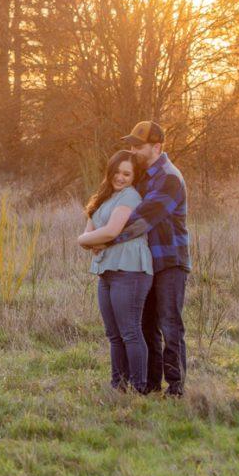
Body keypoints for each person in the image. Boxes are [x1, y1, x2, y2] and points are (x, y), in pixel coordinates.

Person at [103, 121, 191, 397]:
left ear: (156, 147)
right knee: (146, 323)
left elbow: (141, 221)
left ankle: (176, 388)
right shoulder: (141, 175)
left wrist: (105, 239)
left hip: (169, 262)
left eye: (137, 146)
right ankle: (151, 385)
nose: (133, 150)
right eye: (131, 145)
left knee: (169, 323)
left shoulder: (169, 177)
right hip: (145, 262)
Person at [78, 150, 153, 393]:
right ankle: (118, 386)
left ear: (134, 177)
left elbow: (109, 232)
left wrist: (83, 239)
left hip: (130, 269)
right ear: (109, 172)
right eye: (117, 172)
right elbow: (91, 230)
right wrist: (88, 239)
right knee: (114, 334)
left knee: (130, 331)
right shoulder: (105, 197)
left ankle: (138, 388)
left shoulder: (130, 197)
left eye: (126, 174)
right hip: (108, 270)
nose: (120, 177)